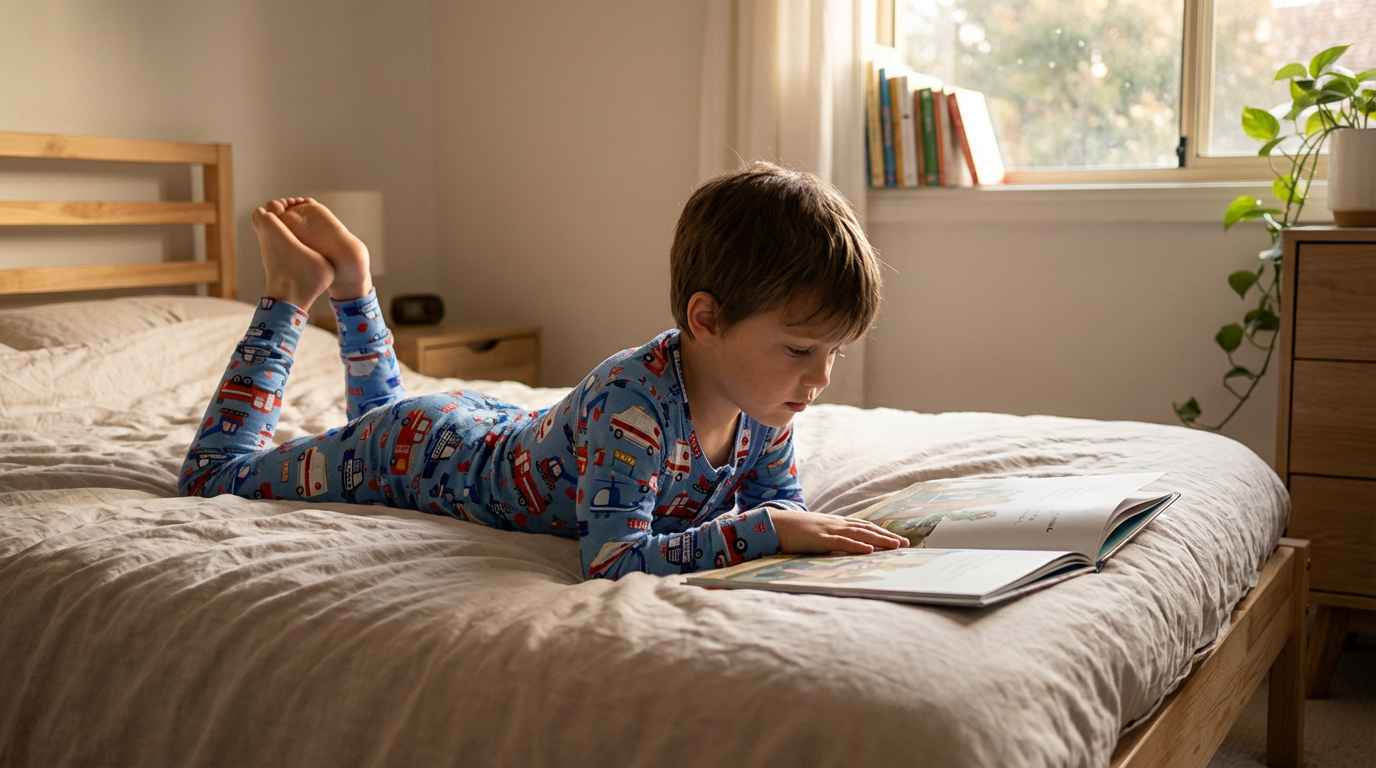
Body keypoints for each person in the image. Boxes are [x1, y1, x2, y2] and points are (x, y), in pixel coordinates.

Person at [181, 162, 907, 580]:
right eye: (800, 351)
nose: (819, 381)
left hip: (486, 428)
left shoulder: (768, 402)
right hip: (427, 457)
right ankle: (289, 291)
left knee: (381, 419)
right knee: (219, 476)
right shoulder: (636, 405)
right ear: (707, 321)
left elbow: (775, 502)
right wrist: (772, 535)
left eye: (833, 354)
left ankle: (352, 283)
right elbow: (613, 560)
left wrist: (788, 525)